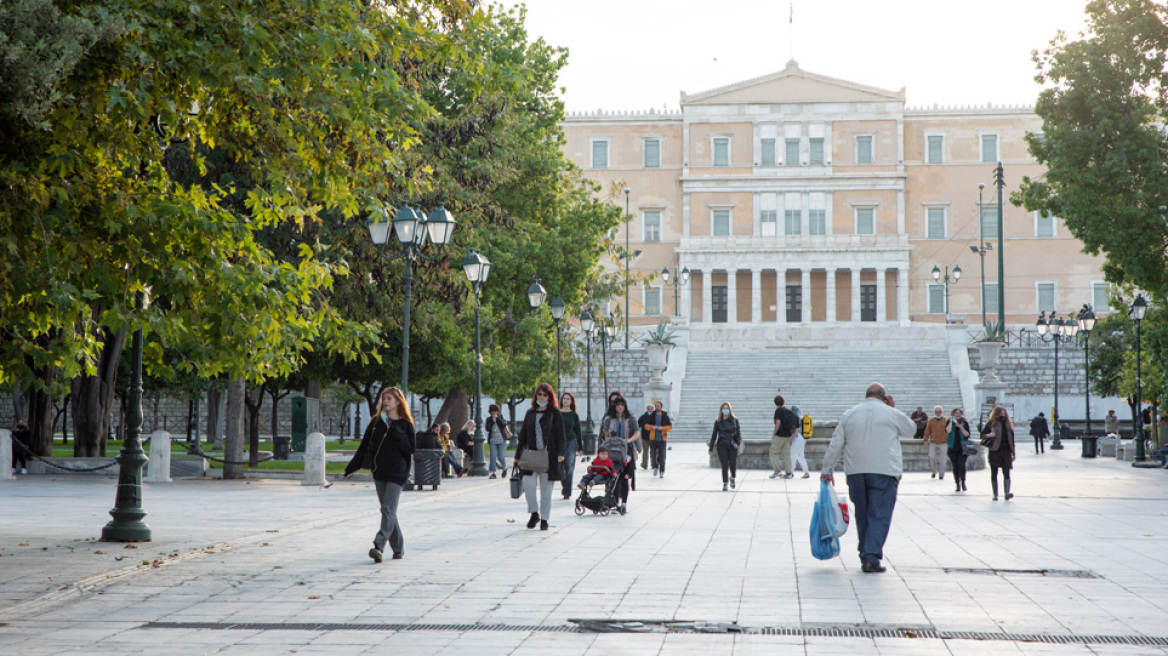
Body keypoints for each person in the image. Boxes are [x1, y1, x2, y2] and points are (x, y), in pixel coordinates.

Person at [820, 383, 915, 574]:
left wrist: (827, 467)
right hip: (884, 471)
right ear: (883, 396)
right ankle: (870, 557)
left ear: (866, 395)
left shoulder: (850, 414)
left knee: (862, 515)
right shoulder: (890, 413)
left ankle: (865, 552)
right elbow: (911, 430)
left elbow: (836, 442)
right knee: (879, 515)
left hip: (856, 472)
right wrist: (893, 408)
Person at [345, 386, 416, 563]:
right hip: (379, 471)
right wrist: (352, 468)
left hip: (398, 472)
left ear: (398, 402)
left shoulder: (406, 424)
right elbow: (364, 446)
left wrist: (396, 432)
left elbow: (410, 450)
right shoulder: (376, 422)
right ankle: (398, 548)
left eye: (389, 398)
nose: (385, 402)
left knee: (387, 509)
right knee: (389, 511)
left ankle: (379, 545)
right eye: (384, 399)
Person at [515, 382, 566, 531]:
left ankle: (544, 518)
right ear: (536, 396)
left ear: (549, 397)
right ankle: (534, 513)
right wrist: (518, 456)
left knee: (546, 490)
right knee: (528, 485)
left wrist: (561, 453)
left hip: (549, 456)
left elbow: (561, 436)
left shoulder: (555, 414)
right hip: (531, 455)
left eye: (545, 395)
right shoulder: (530, 413)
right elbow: (523, 435)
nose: (542, 397)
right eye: (540, 394)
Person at [600, 395, 638, 513]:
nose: (620, 407)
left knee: (625, 476)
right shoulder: (608, 419)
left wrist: (629, 440)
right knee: (615, 475)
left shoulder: (631, 419)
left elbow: (637, 433)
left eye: (622, 405)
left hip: (627, 451)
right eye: (618, 405)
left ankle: (624, 503)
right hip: (613, 451)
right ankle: (616, 503)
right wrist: (610, 441)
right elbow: (605, 433)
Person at [983, 405, 1016, 501]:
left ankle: (1006, 493)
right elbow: (983, 435)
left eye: (1004, 414)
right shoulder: (991, 423)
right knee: (994, 473)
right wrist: (990, 435)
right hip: (995, 451)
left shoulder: (1008, 424)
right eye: (1000, 414)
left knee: (1006, 472)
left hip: (1006, 451)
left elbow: (1011, 439)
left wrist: (1013, 453)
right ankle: (995, 494)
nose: (1002, 416)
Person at [709, 401, 742, 491]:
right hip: (722, 444)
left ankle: (733, 477)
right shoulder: (718, 422)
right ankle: (725, 483)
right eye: (724, 408)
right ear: (721, 410)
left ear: (730, 410)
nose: (725, 410)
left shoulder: (735, 420)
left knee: (733, 463)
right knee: (724, 464)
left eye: (727, 408)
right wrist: (711, 448)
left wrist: (737, 443)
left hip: (732, 444)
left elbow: (738, 434)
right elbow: (714, 435)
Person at [559, 393, 582, 499]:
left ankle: (567, 492)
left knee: (569, 466)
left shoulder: (574, 415)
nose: (565, 400)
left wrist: (580, 447)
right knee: (560, 467)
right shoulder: (557, 414)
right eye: (564, 398)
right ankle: (564, 486)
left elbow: (578, 431)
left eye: (568, 399)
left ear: (571, 401)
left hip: (571, 442)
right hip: (559, 442)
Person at [770, 395, 798, 479]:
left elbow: (778, 423)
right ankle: (789, 473)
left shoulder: (778, 411)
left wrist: (775, 433)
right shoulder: (788, 411)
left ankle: (777, 471)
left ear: (775, 403)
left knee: (773, 452)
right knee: (786, 454)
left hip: (780, 435)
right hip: (788, 435)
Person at [644, 401, 672, 478]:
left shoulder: (665, 416)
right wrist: (652, 427)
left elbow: (670, 427)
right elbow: (646, 425)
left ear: (661, 407)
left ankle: (662, 471)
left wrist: (662, 428)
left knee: (662, 456)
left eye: (658, 406)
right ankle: (655, 467)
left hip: (662, 439)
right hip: (653, 439)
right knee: (652, 455)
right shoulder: (652, 416)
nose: (657, 407)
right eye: (656, 406)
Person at [946, 408, 971, 492]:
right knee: (955, 466)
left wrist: (960, 426)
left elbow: (967, 434)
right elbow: (948, 431)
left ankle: (963, 482)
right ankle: (957, 483)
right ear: (953, 414)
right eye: (956, 413)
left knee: (961, 465)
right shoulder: (949, 422)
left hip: (962, 448)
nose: (958, 414)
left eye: (959, 413)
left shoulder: (964, 422)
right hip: (953, 448)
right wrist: (950, 421)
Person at [484, 404, 511, 479]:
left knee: (500, 456)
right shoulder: (488, 420)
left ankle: (504, 467)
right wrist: (492, 421)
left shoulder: (501, 417)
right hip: (493, 440)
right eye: (492, 411)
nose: (494, 413)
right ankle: (493, 472)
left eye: (495, 411)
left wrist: (497, 420)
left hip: (501, 440)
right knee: (493, 456)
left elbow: (503, 425)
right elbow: (487, 428)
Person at [923, 406, 948, 480]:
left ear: (941, 412)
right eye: (936, 412)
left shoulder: (945, 420)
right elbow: (927, 431)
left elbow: (949, 431)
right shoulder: (931, 420)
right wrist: (925, 440)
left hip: (943, 442)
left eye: (939, 412)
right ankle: (934, 471)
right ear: (934, 412)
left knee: (943, 459)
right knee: (932, 457)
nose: (938, 413)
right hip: (933, 442)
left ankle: (941, 474)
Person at [790, 405, 811, 478]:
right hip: (802, 438)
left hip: (797, 437)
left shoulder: (795, 418)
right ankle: (806, 472)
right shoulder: (801, 418)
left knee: (793, 455)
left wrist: (792, 439)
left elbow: (796, 429)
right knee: (800, 456)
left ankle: (790, 472)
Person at [637, 404, 653, 469]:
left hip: (653, 436)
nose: (651, 410)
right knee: (645, 451)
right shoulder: (643, 417)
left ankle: (654, 463)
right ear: (647, 409)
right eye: (650, 408)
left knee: (653, 451)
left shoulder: (655, 416)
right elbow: (638, 425)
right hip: (645, 437)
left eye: (652, 408)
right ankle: (644, 464)